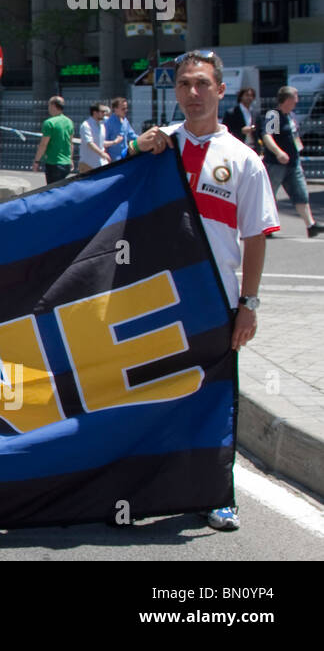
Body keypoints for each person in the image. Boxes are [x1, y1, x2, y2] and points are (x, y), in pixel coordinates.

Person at [134, 50, 280, 530]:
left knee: (214, 399)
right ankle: (150, 486)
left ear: (220, 91)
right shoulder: (158, 147)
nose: (192, 93)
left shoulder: (244, 160)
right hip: (153, 298)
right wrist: (135, 150)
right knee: (153, 394)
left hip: (215, 300)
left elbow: (255, 238)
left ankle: (218, 493)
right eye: (183, 85)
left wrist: (248, 306)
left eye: (202, 84)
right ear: (174, 92)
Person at [261, 85, 322, 237]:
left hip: (293, 164)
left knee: (300, 193)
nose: (297, 101)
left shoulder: (290, 116)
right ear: (287, 99)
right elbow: (267, 136)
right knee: (269, 196)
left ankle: (311, 225)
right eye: (295, 98)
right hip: (276, 164)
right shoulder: (274, 115)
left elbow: (294, 137)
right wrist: (278, 152)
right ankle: (265, 227)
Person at [31, 96, 75, 184]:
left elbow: (43, 144)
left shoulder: (49, 123)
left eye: (49, 105)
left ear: (53, 105)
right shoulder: (69, 122)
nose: (48, 108)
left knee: (52, 190)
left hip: (53, 162)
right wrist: (70, 159)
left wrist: (37, 161)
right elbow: (70, 143)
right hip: (65, 162)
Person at [78, 103, 112, 174]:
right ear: (95, 113)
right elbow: (90, 143)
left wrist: (114, 142)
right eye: (102, 112)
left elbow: (101, 143)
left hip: (100, 163)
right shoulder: (86, 125)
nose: (104, 113)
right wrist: (102, 154)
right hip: (88, 164)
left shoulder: (101, 125)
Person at [224, 87, 259, 155]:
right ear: (241, 97)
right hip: (237, 148)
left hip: (253, 148)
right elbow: (226, 131)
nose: (249, 98)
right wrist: (241, 131)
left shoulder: (255, 113)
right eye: (247, 95)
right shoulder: (232, 113)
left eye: (251, 95)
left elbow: (260, 131)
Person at [103, 97, 136, 162]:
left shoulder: (125, 121)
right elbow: (103, 142)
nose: (126, 111)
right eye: (123, 109)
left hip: (124, 157)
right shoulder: (109, 123)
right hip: (113, 160)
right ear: (115, 109)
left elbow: (131, 135)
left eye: (126, 108)